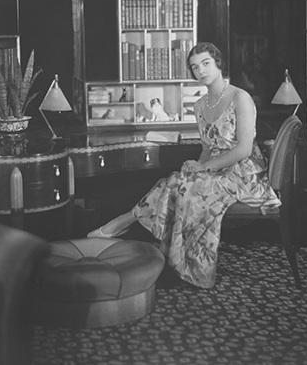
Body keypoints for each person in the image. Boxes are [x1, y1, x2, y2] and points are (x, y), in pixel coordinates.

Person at [87, 42, 280, 288]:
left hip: (245, 173)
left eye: (206, 63)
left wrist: (204, 169)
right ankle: (174, 259)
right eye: (195, 67)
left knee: (190, 190)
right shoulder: (199, 105)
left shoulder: (240, 98)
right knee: (176, 181)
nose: (201, 71)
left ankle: (133, 229)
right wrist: (197, 166)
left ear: (218, 63)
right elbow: (207, 149)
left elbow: (243, 149)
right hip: (216, 168)